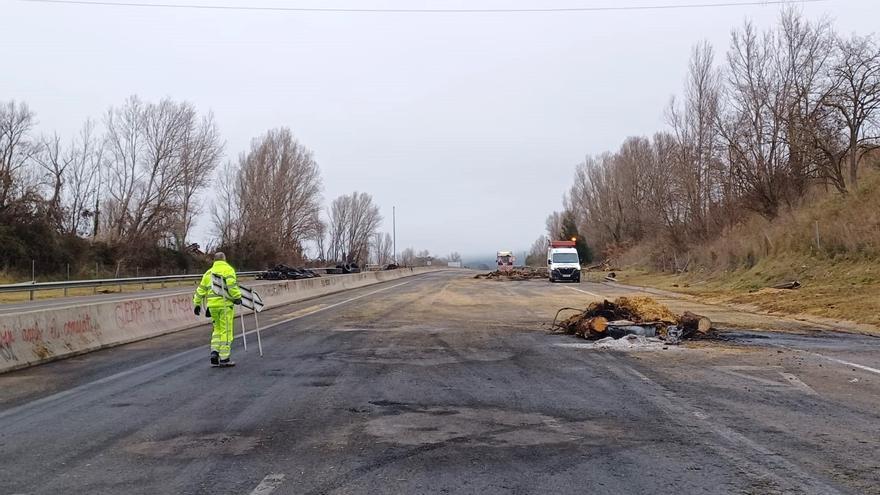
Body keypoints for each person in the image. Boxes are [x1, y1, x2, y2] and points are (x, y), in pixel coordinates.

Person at [193, 252, 242, 366]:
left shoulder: (208, 273)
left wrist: (197, 304)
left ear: (214, 260)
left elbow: (200, 290)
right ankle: (224, 358)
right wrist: (237, 297)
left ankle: (214, 352)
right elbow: (231, 286)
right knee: (226, 331)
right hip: (225, 305)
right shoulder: (228, 270)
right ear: (224, 259)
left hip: (212, 307)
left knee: (217, 330)